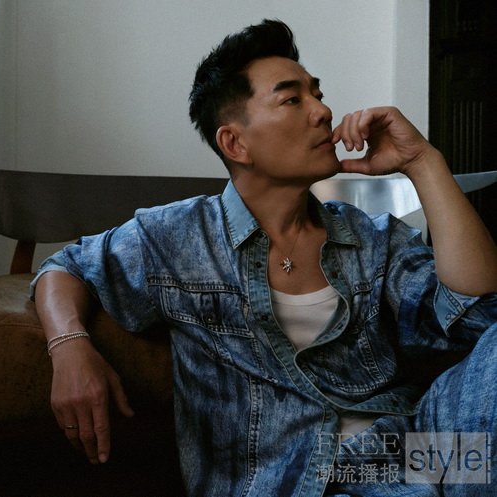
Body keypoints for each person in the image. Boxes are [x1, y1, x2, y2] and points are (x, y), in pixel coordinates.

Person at [31, 19, 497, 497]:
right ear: (235, 143)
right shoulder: (180, 235)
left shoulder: (370, 237)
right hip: (293, 480)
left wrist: (422, 162)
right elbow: (66, 267)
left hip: (413, 454)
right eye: (292, 99)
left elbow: (478, 314)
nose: (323, 111)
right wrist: (69, 348)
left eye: (317, 94)